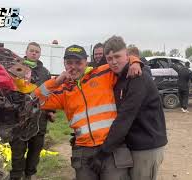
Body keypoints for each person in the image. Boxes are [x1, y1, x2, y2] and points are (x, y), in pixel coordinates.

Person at [33, 44, 142, 180]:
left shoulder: (103, 73)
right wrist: (55, 82)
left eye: (78, 62)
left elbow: (122, 60)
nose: (73, 67)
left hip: (111, 147)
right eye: (69, 63)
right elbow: (34, 101)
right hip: (83, 152)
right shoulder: (63, 90)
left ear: (86, 61)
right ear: (64, 64)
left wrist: (136, 62)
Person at [88, 36, 168, 180]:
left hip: (147, 145)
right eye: (109, 58)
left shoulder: (138, 78)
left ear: (127, 55)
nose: (113, 61)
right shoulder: (119, 78)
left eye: (117, 56)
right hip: (132, 144)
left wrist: (103, 152)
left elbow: (125, 118)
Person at [9, 42, 53, 180]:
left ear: (40, 54)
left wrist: (51, 111)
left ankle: (30, 174)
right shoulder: (17, 67)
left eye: (37, 52)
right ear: (26, 52)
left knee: (36, 149)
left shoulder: (45, 72)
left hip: (40, 117)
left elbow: (50, 92)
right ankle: (17, 175)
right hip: (19, 117)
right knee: (18, 149)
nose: (34, 53)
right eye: (32, 51)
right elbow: (8, 91)